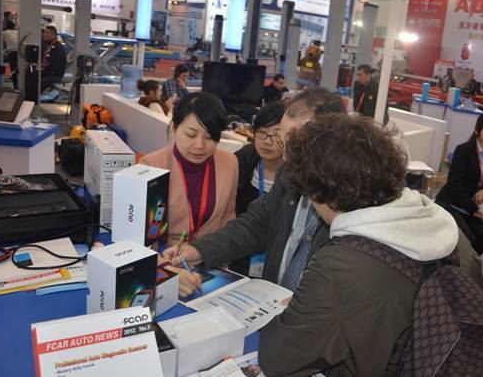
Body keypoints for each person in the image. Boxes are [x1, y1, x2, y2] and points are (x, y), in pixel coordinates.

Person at [257, 114, 483, 375]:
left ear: (322, 193)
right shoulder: (452, 233)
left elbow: (279, 358)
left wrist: (301, 309)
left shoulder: (340, 265)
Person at [163, 88, 347, 295]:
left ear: (330, 143)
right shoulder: (289, 173)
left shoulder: (353, 197)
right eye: (283, 141)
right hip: (273, 299)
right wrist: (200, 250)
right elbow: (256, 225)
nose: (285, 156)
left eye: (296, 144)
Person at [140, 92, 238, 246]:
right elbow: (145, 230)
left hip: (209, 253)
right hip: (166, 253)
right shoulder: (151, 165)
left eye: (209, 137)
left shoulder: (229, 163)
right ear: (174, 127)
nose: (199, 145)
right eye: (191, 135)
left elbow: (228, 215)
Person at [435, 112, 483, 254]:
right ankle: (452, 263)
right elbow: (454, 184)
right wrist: (472, 208)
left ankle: (465, 264)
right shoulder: (463, 150)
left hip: (470, 207)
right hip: (452, 203)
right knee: (465, 240)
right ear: (477, 130)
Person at [229, 102, 286, 276]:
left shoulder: (298, 173)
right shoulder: (240, 161)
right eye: (262, 132)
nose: (267, 141)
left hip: (280, 259)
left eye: (276, 134)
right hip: (240, 252)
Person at [40, 26, 67, 92]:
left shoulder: (58, 48)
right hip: (47, 74)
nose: (44, 34)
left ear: (53, 35)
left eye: (47, 32)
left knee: (35, 84)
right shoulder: (48, 46)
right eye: (44, 32)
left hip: (54, 76)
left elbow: (53, 66)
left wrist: (40, 73)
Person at [2, 20, 19, 89]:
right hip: (19, 52)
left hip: (12, 52)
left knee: (13, 69)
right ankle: (18, 84)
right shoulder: (17, 32)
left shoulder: (5, 32)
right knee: (17, 68)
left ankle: (15, 85)